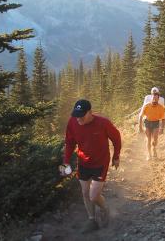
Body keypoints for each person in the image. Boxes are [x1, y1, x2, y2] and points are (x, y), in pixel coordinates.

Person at [61, 99, 121, 234]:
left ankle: (105, 209)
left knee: (93, 196)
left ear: (90, 113)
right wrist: (66, 161)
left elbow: (116, 138)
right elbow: (70, 143)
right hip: (83, 162)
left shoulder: (103, 123)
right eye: (76, 115)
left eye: (81, 116)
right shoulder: (72, 122)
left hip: (100, 163)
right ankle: (91, 219)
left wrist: (116, 156)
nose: (78, 119)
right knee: (84, 192)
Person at [138, 92, 165, 161]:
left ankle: (154, 148)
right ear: (151, 98)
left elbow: (163, 119)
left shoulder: (161, 107)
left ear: (158, 99)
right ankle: (149, 155)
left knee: (155, 139)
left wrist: (162, 128)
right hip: (147, 123)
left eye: (156, 98)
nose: (154, 100)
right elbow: (141, 116)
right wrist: (140, 126)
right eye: (153, 98)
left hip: (156, 123)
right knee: (148, 139)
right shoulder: (147, 105)